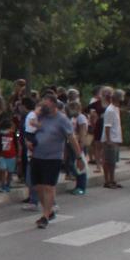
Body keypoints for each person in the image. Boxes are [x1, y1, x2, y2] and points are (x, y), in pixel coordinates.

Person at [29, 92, 77, 229]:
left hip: (53, 157)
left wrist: (79, 156)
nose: (44, 106)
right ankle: (48, 211)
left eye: (47, 103)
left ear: (54, 105)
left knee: (48, 186)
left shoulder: (62, 119)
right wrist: (28, 141)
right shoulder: (40, 116)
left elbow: (71, 138)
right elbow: (29, 127)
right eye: (43, 103)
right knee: (38, 187)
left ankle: (44, 216)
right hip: (37, 155)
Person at [100, 87, 124, 188]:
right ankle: (107, 181)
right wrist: (109, 140)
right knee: (108, 161)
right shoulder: (110, 110)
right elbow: (107, 126)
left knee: (113, 162)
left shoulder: (116, 109)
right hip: (110, 140)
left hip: (115, 139)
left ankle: (112, 179)